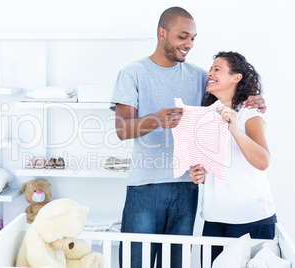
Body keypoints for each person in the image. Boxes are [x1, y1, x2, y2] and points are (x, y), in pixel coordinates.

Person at [110, 6, 266, 268]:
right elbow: (121, 129)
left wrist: (255, 99)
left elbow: (231, 90)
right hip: (145, 186)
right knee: (136, 262)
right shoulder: (132, 73)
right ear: (162, 33)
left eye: (193, 38)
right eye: (183, 37)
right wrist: (157, 120)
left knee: (176, 263)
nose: (189, 44)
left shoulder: (199, 76)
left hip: (188, 186)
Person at [190, 51, 276, 263]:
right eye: (210, 69)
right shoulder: (207, 114)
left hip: (251, 219)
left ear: (236, 77)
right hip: (213, 219)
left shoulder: (250, 113)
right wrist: (198, 173)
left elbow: (263, 161)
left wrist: (235, 130)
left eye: (216, 69)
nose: (210, 73)